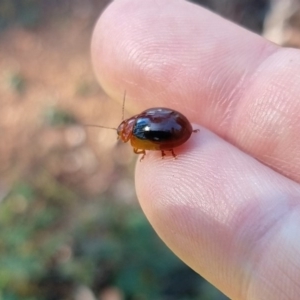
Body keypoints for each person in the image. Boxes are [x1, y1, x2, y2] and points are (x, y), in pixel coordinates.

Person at [91, 0, 300, 299]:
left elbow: (154, 141)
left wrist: (162, 148)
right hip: (181, 129)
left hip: (179, 132)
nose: (125, 134)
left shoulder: (138, 132)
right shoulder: (139, 123)